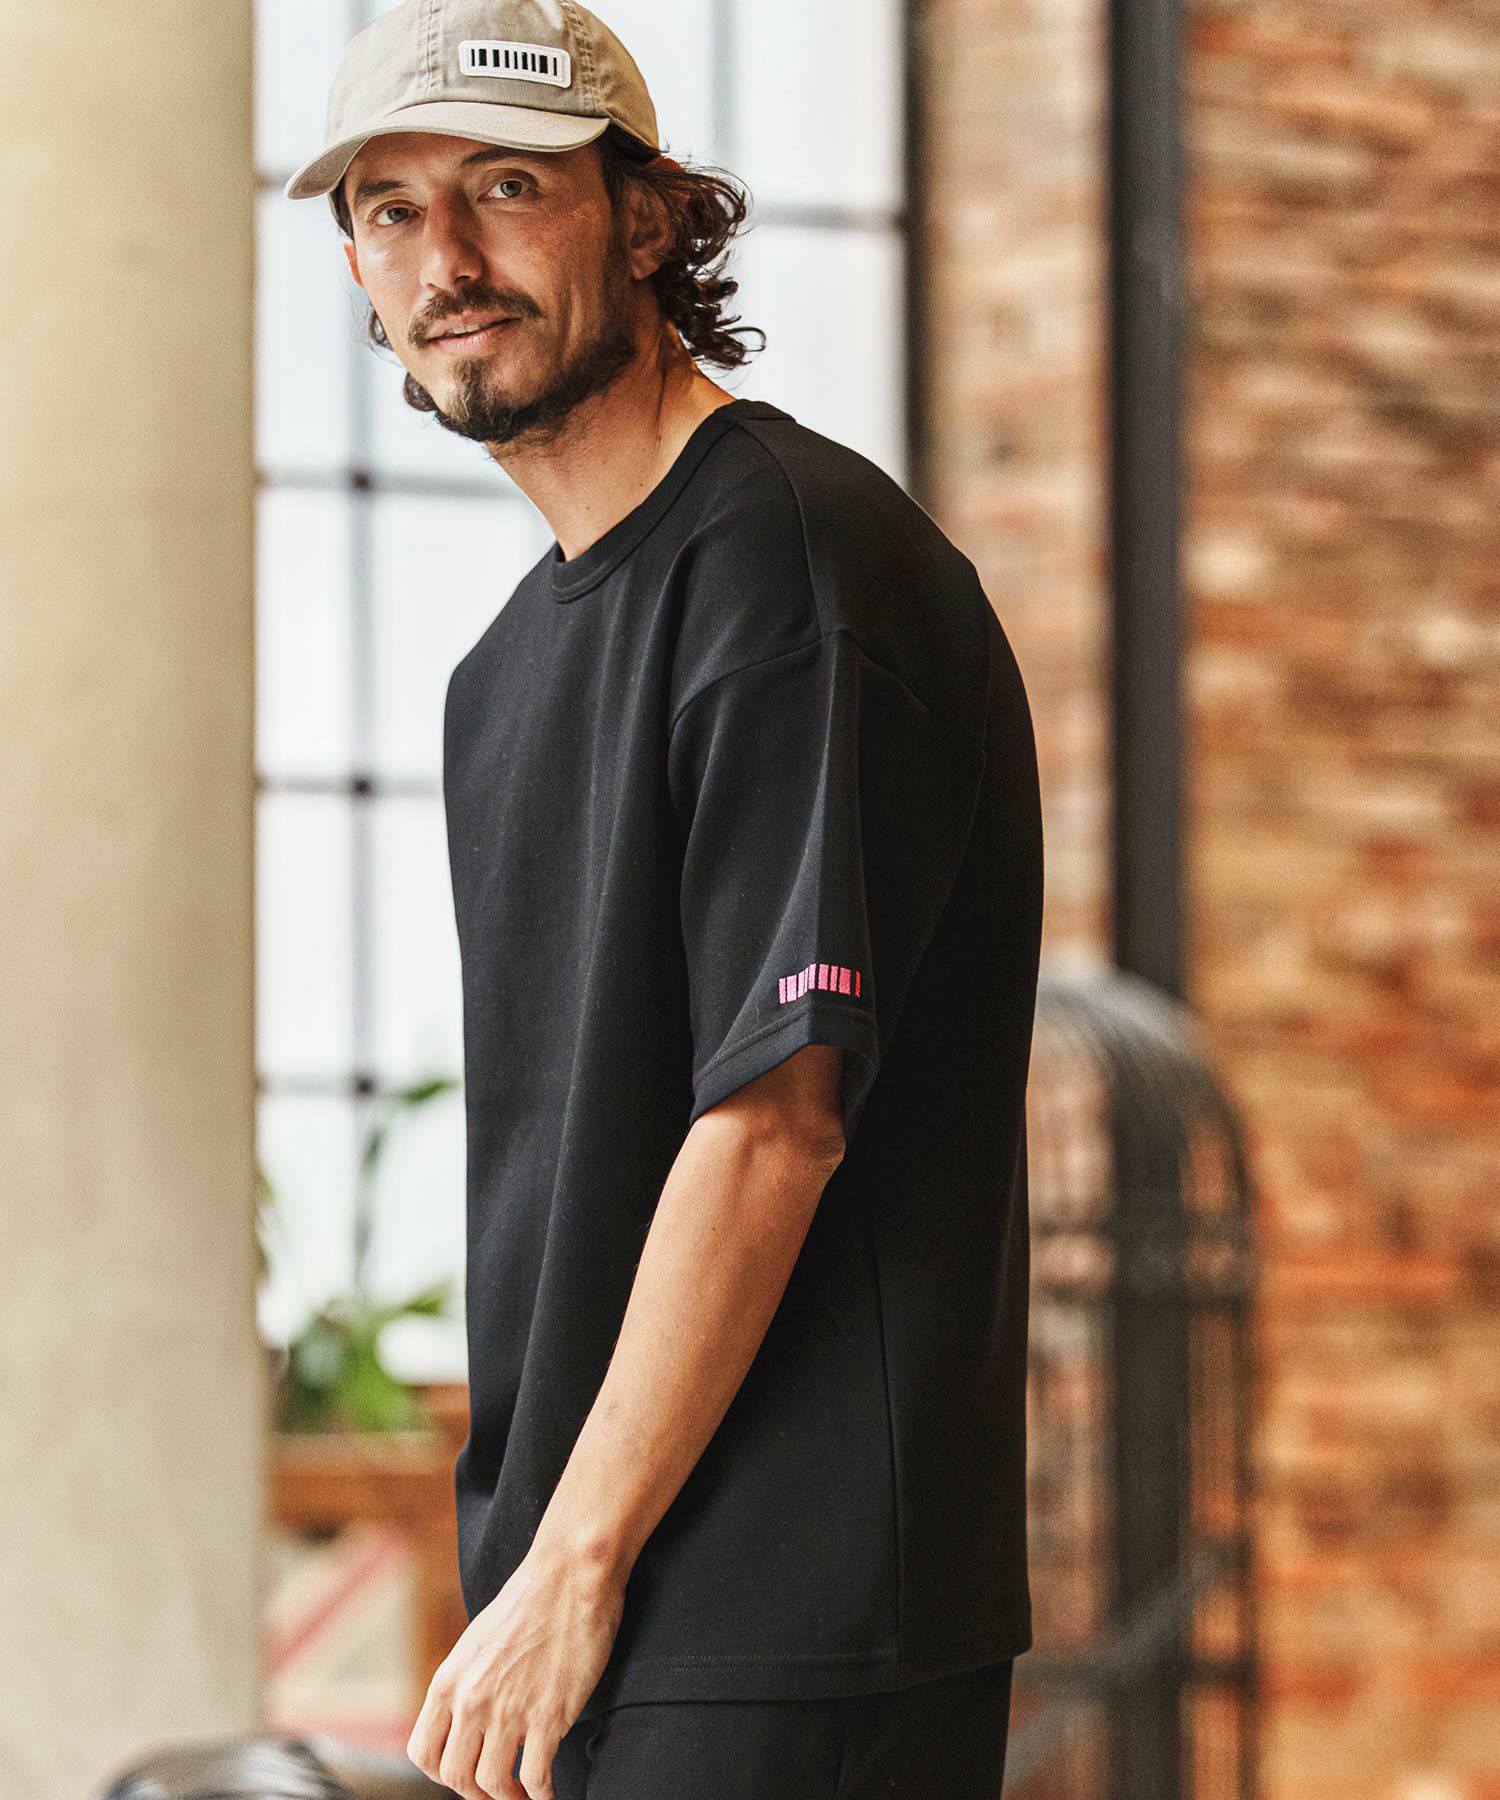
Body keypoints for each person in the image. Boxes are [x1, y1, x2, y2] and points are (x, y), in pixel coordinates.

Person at [284, 3, 1044, 1796]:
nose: (446, 260)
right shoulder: (500, 675)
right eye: (391, 210)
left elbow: (777, 1119)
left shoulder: (793, 566)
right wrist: (545, 1576)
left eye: (506, 187)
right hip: (597, 1609)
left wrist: (575, 1563)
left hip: (782, 1621)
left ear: (643, 220)